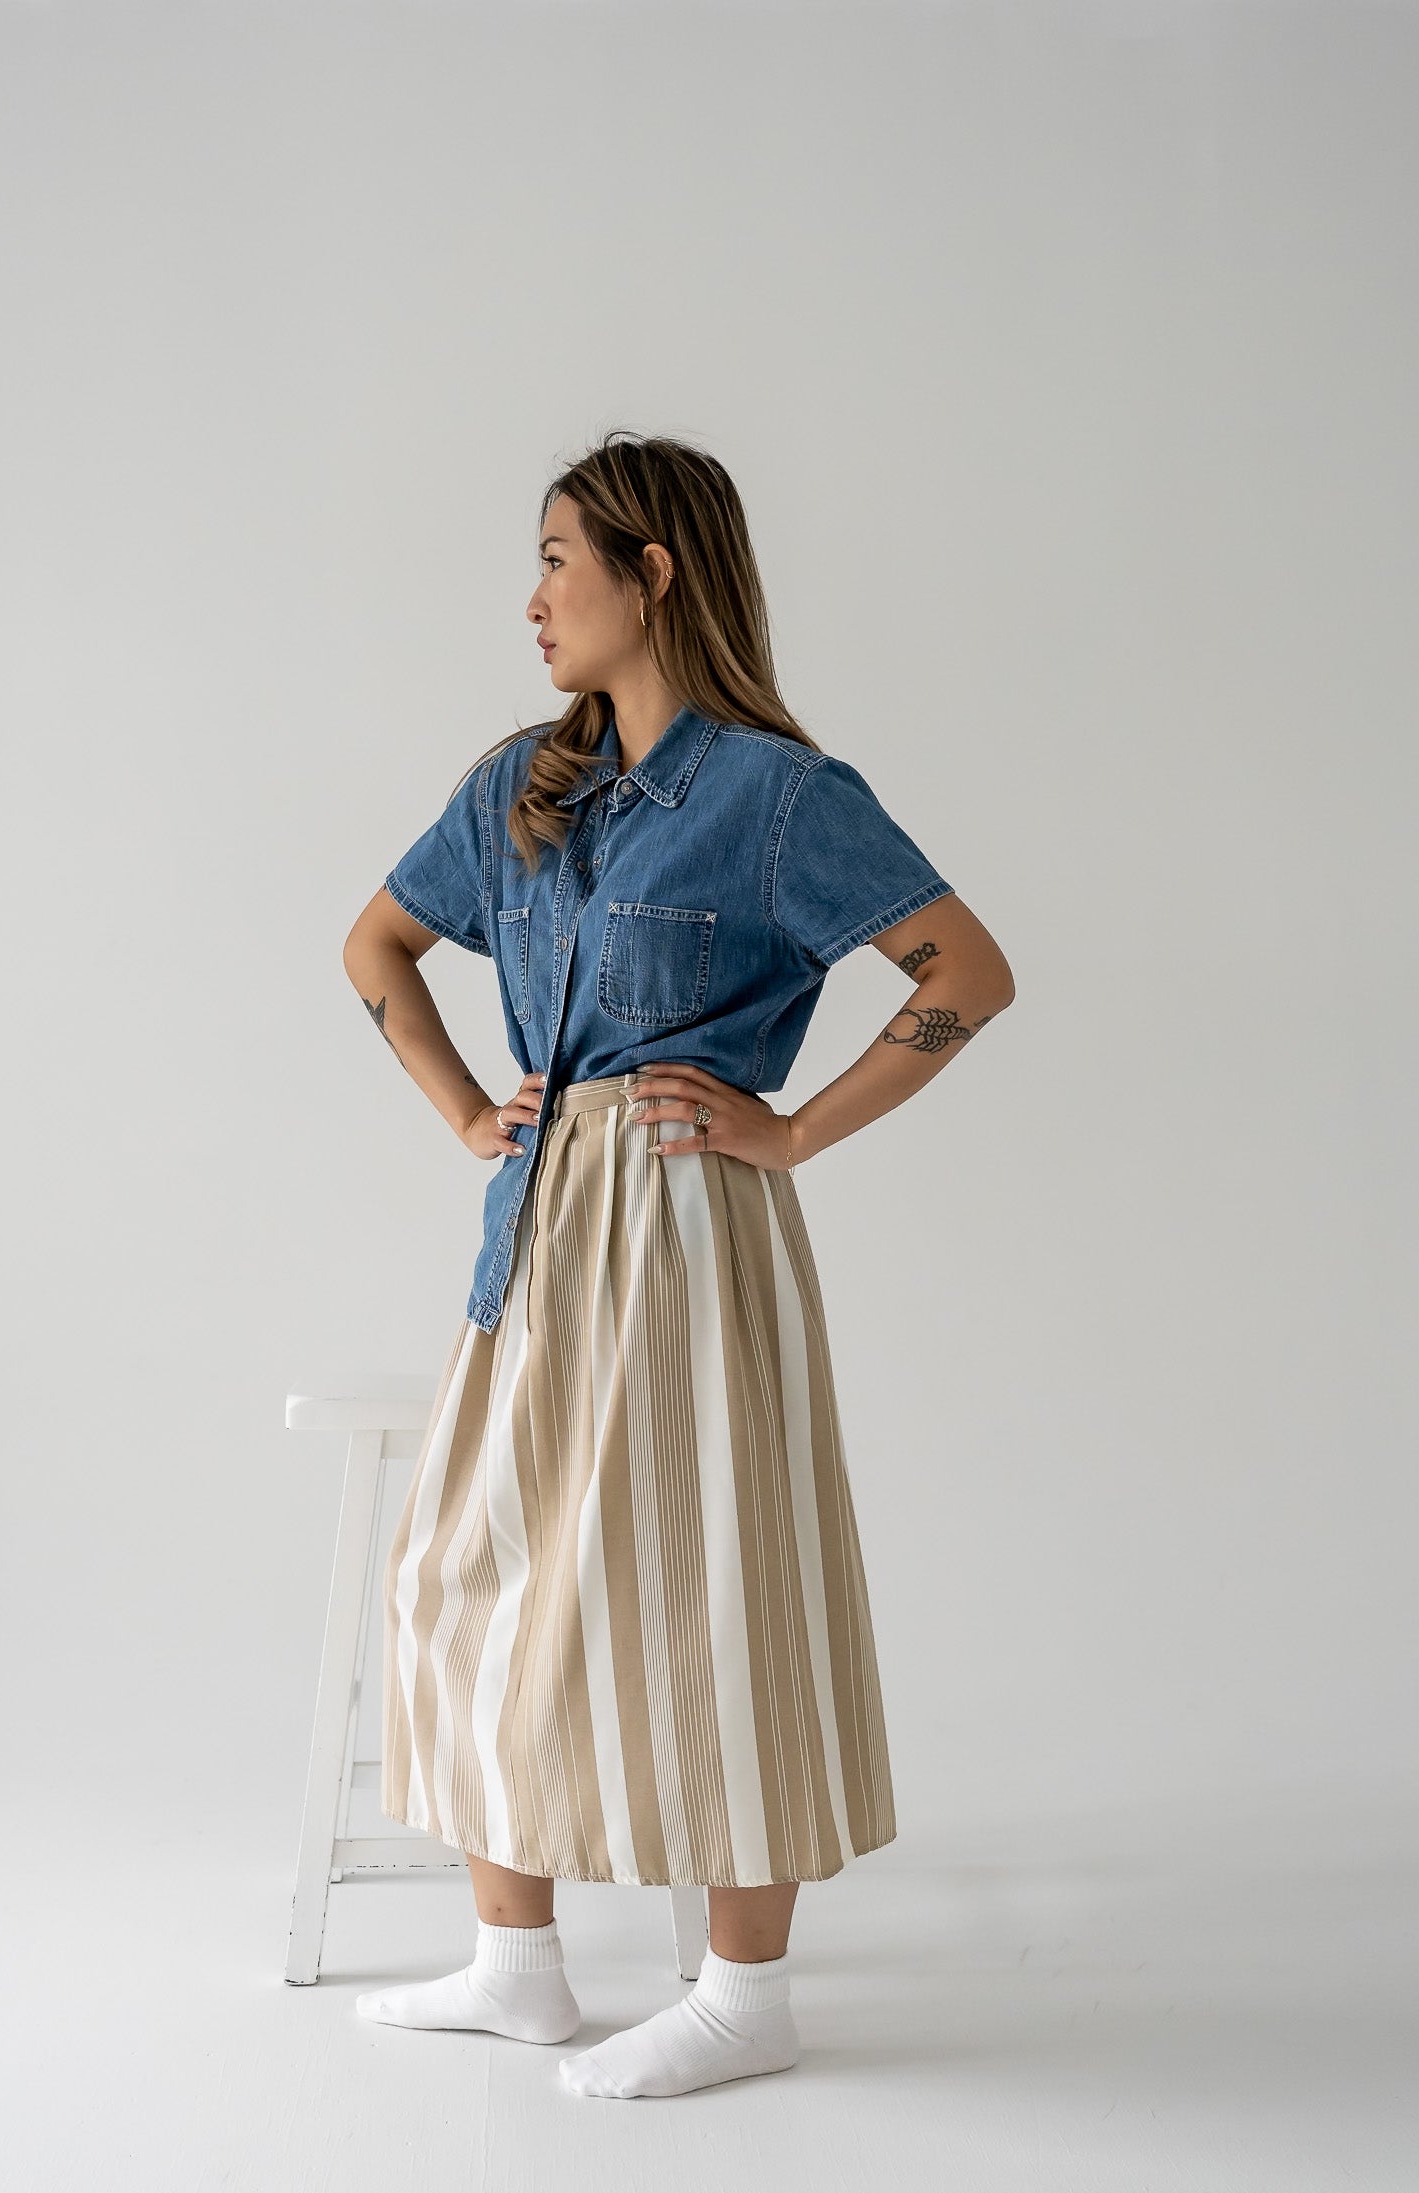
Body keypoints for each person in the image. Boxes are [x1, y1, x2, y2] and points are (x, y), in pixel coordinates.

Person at [339, 430, 1014, 2099]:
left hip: (691, 1233)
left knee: (715, 1581)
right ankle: (517, 1967)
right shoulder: (519, 786)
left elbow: (964, 971)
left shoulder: (778, 799)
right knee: (471, 1574)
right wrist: (467, 1114)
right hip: (536, 1234)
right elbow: (377, 944)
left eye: (557, 560)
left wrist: (791, 1132)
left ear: (654, 573)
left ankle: (743, 1994)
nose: (531, 599)